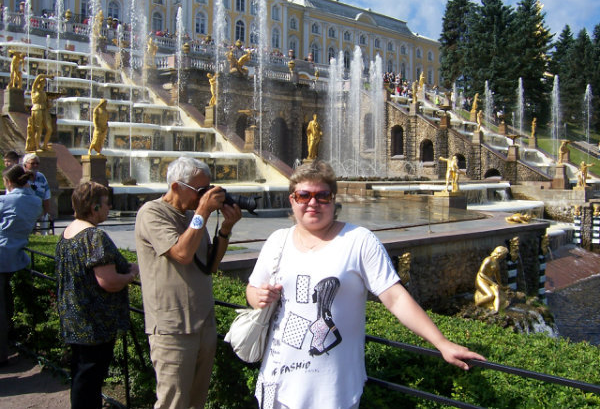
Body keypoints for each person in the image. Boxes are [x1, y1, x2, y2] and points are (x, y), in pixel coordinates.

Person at [246, 160, 485, 409]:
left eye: (322, 196)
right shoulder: (278, 241)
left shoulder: (358, 241)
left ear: (333, 199)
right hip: (277, 381)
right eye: (304, 195)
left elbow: (396, 298)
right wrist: (258, 297)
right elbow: (252, 289)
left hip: (333, 389)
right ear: (292, 200)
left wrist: (442, 343)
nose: (312, 203)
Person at [135, 157, 242, 409]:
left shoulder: (193, 217)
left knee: (196, 401)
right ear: (176, 186)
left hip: (203, 323)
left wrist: (226, 228)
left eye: (208, 189)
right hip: (173, 328)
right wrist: (203, 212)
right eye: (200, 190)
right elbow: (182, 254)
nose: (204, 196)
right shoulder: (152, 212)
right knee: (173, 402)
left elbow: (210, 265)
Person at [56, 181, 138, 409]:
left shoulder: (68, 232)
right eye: (106, 203)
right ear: (94, 207)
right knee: (90, 382)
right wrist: (131, 274)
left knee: (81, 377)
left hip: (74, 318)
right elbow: (108, 282)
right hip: (95, 324)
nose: (109, 207)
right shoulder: (94, 237)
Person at [0, 165, 42, 366]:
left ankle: (2, 354)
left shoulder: (5, 201)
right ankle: (7, 343)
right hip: (15, 257)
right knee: (6, 301)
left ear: (9, 182)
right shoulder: (36, 201)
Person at [474, 246, 509, 313]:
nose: (505, 257)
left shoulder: (497, 263)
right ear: (500, 254)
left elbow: (498, 276)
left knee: (497, 293)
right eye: (504, 255)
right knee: (490, 295)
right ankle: (477, 304)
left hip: (489, 281)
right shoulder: (488, 260)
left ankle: (496, 311)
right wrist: (493, 283)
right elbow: (481, 273)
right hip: (481, 280)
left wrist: (501, 286)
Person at [22, 153, 52, 230]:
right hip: (24, 211)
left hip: (39, 210)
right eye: (32, 163)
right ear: (25, 164)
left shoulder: (41, 177)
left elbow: (46, 196)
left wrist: (47, 213)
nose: (35, 165)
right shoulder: (21, 177)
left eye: (37, 163)